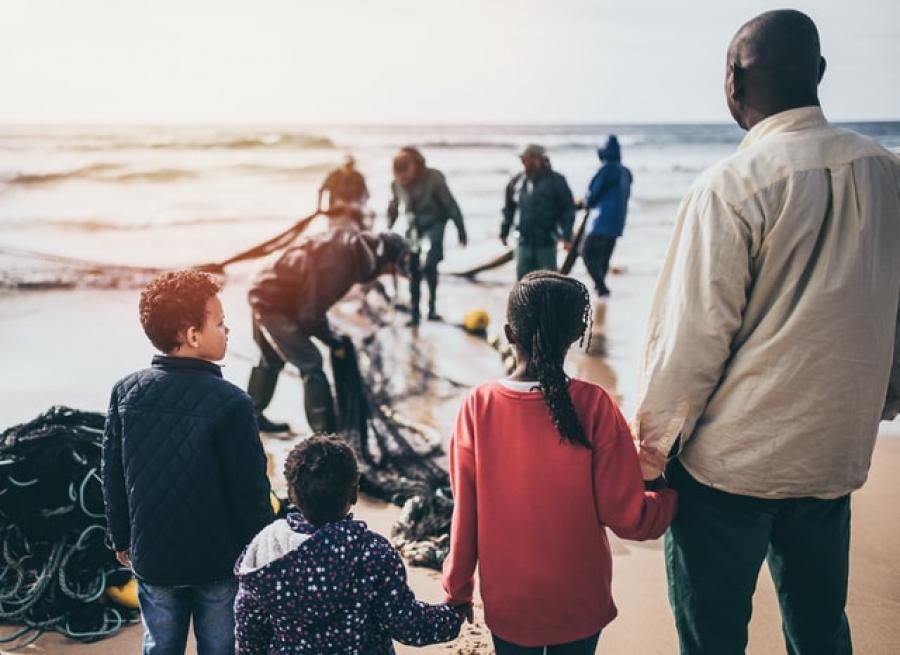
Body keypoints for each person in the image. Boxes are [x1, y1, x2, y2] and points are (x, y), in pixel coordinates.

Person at [634, 10, 900, 655]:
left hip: (730, 467)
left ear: (733, 81)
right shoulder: (888, 174)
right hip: (832, 455)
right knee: (819, 629)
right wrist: (882, 403)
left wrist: (648, 454)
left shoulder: (730, 187)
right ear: (820, 74)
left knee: (713, 636)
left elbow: (692, 341)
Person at [442, 271, 677, 654]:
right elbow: (628, 518)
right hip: (580, 599)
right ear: (574, 337)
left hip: (510, 600)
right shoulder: (595, 404)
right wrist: (665, 493)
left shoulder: (477, 406)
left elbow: (465, 514)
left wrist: (458, 588)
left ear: (508, 333)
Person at [102, 270, 274, 655]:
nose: (227, 330)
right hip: (217, 563)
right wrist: (261, 549)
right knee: (221, 647)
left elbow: (112, 473)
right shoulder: (232, 402)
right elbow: (249, 489)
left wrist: (120, 536)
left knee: (160, 645)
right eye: (220, 322)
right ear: (193, 336)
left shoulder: (126, 392)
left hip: (153, 557)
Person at [234, 434, 470, 654]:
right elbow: (407, 624)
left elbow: (249, 630)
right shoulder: (372, 553)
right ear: (355, 494)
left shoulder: (265, 549)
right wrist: (452, 615)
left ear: (291, 494)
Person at [247, 228, 409, 434]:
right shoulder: (342, 264)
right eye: (390, 270)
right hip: (270, 299)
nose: (389, 273)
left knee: (270, 359)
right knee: (311, 361)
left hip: (266, 286)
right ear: (383, 258)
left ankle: (251, 418)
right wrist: (333, 341)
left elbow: (309, 305)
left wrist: (330, 337)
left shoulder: (352, 247)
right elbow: (310, 315)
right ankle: (325, 436)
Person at [387, 146, 467, 326]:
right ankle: (415, 315)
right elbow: (393, 206)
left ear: (414, 166)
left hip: (434, 226)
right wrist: (388, 228)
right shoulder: (396, 183)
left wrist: (461, 230)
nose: (403, 180)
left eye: (406, 176)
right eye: (399, 177)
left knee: (430, 263)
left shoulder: (434, 177)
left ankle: (431, 308)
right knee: (413, 269)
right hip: (412, 229)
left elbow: (451, 205)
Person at [500, 144, 576, 280]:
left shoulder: (557, 181)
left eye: (526, 159)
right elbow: (508, 209)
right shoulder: (516, 181)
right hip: (523, 241)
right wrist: (504, 232)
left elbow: (568, 210)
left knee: (548, 283)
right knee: (522, 285)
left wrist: (567, 236)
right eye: (522, 159)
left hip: (547, 242)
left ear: (538, 159)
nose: (523, 163)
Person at [580, 135, 632, 297]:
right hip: (617, 222)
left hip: (600, 221)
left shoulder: (607, 169)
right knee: (603, 258)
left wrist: (586, 203)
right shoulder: (625, 172)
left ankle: (601, 287)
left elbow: (593, 192)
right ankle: (600, 289)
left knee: (587, 254)